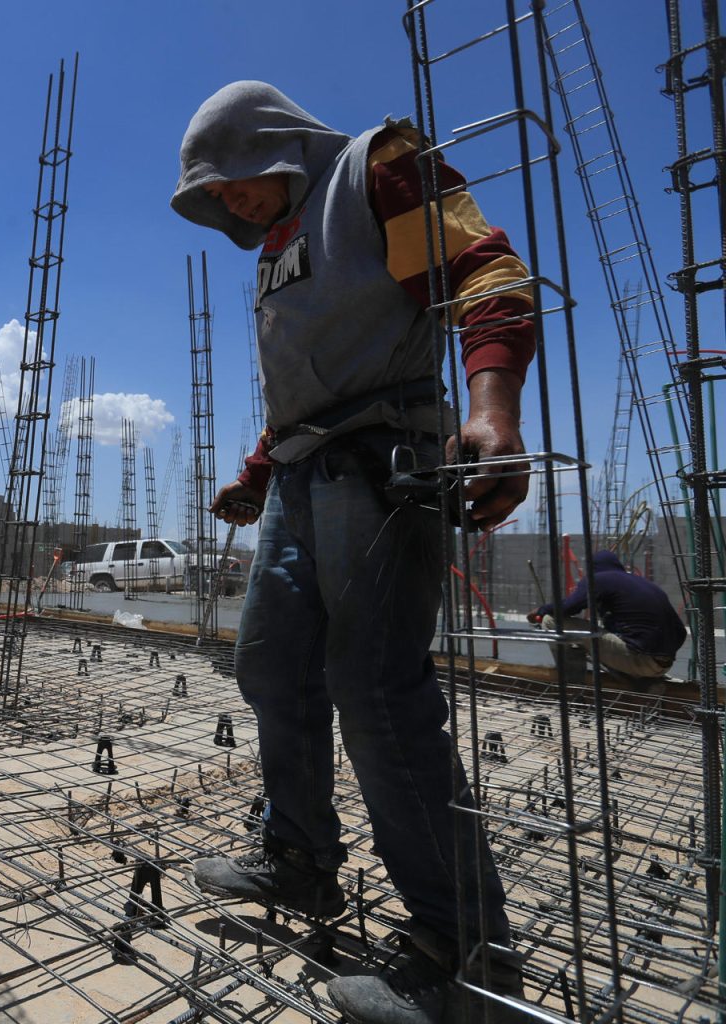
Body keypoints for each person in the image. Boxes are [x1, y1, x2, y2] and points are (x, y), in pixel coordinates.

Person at [171, 82, 534, 1023]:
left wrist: (493, 412)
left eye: (232, 184)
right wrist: (257, 472)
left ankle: (465, 956)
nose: (229, 205)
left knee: (375, 688)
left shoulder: (379, 168)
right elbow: (307, 386)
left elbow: (485, 272)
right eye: (215, 200)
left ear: (271, 144)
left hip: (382, 463)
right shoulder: (284, 246)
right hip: (305, 471)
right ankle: (298, 859)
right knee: (272, 666)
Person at [526, 550, 686, 683]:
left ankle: (572, 682)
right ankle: (639, 679)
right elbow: (681, 632)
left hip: (638, 659)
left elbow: (568, 607)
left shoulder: (599, 579)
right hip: (663, 665)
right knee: (608, 634)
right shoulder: (643, 583)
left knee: (550, 620)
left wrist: (541, 610)